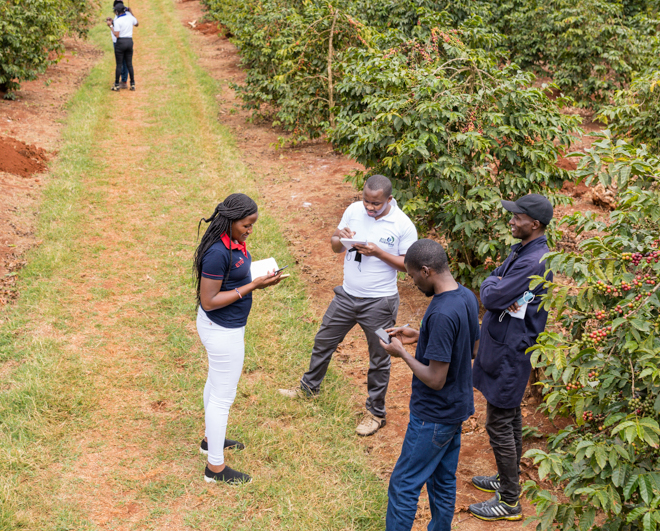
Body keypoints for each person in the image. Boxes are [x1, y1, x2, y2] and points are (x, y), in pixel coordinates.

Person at [278, 175, 418, 436]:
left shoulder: (402, 225)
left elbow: (409, 265)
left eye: (376, 204)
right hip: (346, 296)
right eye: (366, 201)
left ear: (389, 199)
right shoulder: (354, 210)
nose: (369, 207)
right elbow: (334, 247)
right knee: (323, 340)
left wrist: (378, 253)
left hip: (380, 304)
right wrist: (338, 237)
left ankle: (376, 413)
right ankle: (309, 388)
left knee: (380, 356)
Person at [380, 239, 479, 531]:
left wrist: (402, 354)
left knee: (403, 484)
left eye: (411, 276)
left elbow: (436, 379)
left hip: (432, 416)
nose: (412, 283)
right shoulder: (466, 297)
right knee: (442, 480)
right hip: (456, 408)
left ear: (426, 271)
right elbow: (470, 349)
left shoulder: (441, 313)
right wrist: (419, 335)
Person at [468, 193, 555, 522]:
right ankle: (509, 480)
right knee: (510, 416)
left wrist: (493, 284)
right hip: (505, 343)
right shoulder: (525, 250)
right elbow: (497, 282)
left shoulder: (533, 261)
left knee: (499, 421)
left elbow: (492, 295)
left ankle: (508, 501)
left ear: (533, 224)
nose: (511, 221)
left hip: (511, 351)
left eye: (516, 217)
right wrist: (497, 282)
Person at [194, 193, 287, 484]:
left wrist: (257, 280)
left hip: (226, 327)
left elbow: (233, 278)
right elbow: (208, 300)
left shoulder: (233, 242)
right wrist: (251, 286)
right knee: (224, 397)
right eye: (246, 225)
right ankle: (215, 469)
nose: (250, 230)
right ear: (231, 221)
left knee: (215, 383)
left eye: (252, 225)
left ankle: (211, 441)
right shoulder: (217, 252)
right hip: (222, 330)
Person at [110, 1, 138, 91]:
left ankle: (117, 85)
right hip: (129, 41)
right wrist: (131, 12)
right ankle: (132, 84)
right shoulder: (130, 18)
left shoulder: (118, 21)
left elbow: (117, 35)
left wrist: (110, 26)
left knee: (119, 64)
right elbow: (137, 23)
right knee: (129, 64)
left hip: (121, 42)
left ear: (117, 12)